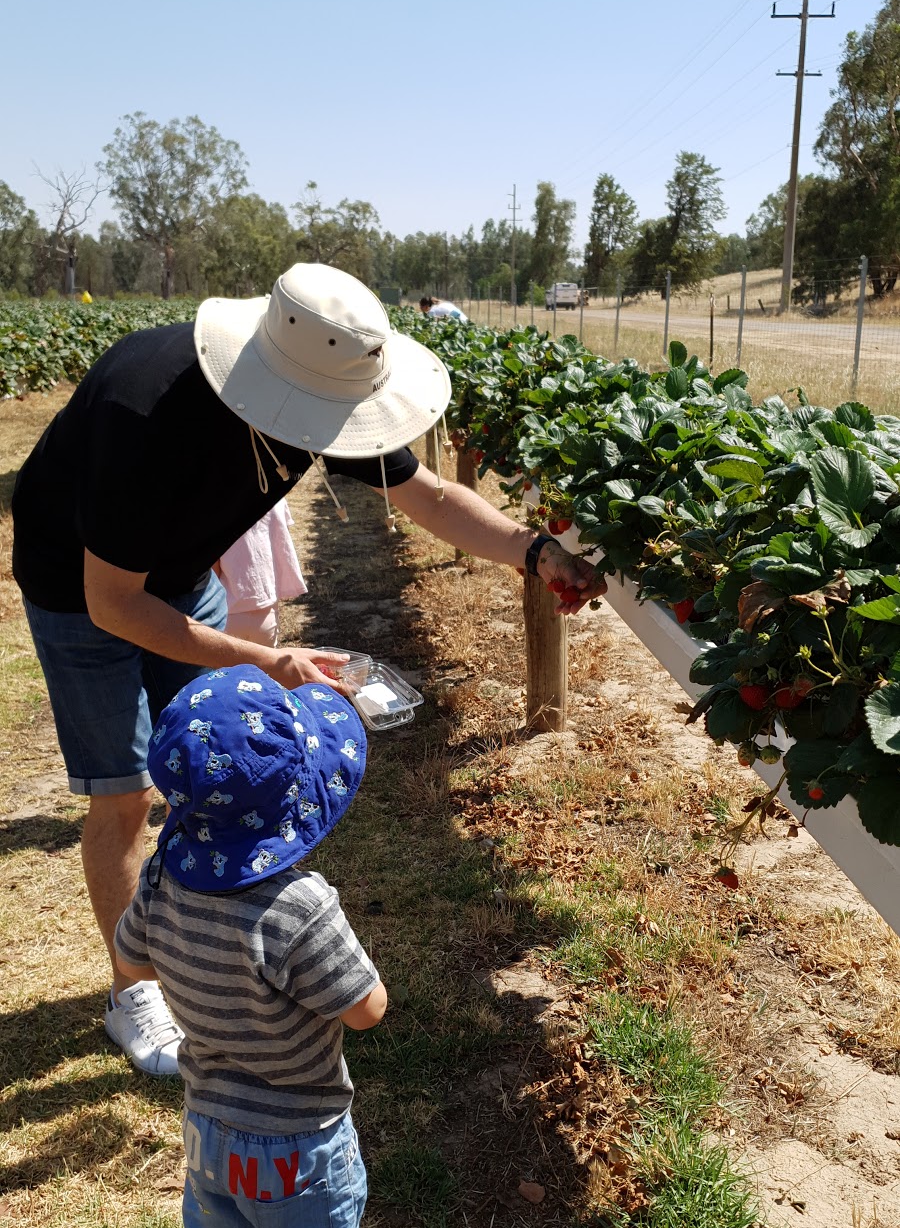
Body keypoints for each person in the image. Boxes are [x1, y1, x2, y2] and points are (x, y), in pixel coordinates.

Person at [12, 262, 605, 1076]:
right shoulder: (144, 409)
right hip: (80, 592)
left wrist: (533, 552)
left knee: (219, 764)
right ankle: (133, 989)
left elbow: (427, 495)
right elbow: (114, 603)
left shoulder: (318, 390)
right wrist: (271, 661)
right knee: (127, 792)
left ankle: (204, 956)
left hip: (183, 577)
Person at [114, 665, 402, 1228]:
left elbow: (133, 959)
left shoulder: (161, 881)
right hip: (299, 1140)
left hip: (209, 1123)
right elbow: (367, 1009)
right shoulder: (299, 909)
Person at [215, 502, 307, 648]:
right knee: (262, 669)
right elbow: (279, 543)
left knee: (224, 670)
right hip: (266, 610)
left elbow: (212, 570)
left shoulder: (215, 501)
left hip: (225, 613)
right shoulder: (275, 497)